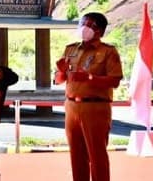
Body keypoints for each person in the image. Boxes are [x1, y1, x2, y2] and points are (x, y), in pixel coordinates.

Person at [54, 12, 122, 181]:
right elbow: (58, 79)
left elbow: (114, 80)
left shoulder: (108, 52)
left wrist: (90, 78)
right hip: (71, 106)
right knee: (76, 156)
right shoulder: (71, 49)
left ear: (99, 31)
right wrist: (62, 71)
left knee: (97, 156)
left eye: (89, 25)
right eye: (82, 23)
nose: (83, 28)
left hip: (95, 107)